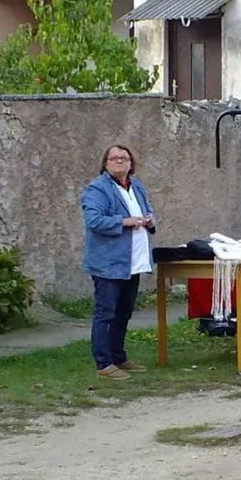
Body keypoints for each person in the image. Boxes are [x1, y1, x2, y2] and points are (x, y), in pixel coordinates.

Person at [81, 144, 156, 380]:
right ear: (106, 163)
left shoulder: (137, 186)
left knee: (123, 313)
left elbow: (147, 210)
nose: (120, 161)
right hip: (109, 263)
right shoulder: (98, 188)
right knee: (106, 313)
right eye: (114, 158)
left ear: (131, 163)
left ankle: (118, 357)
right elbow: (94, 220)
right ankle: (104, 363)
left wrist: (150, 220)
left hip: (133, 262)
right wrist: (125, 222)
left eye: (124, 158)